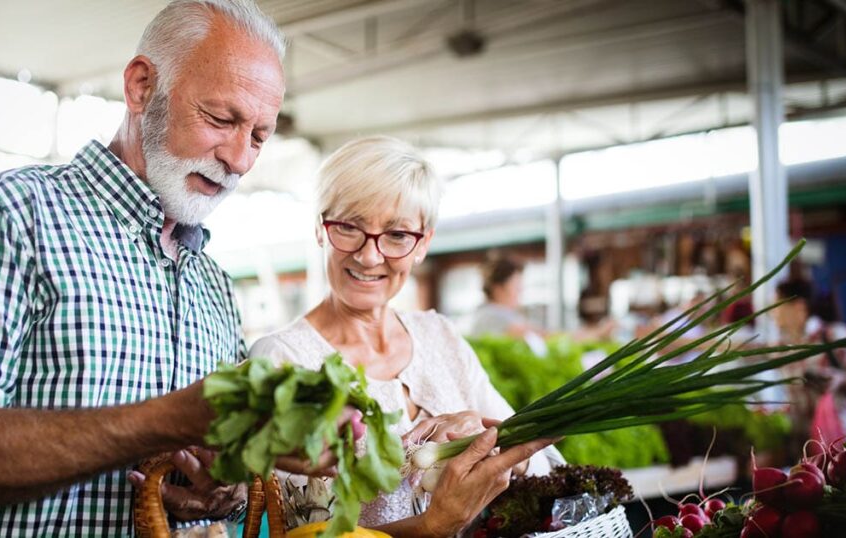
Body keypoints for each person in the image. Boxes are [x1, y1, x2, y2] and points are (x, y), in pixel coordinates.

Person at [0, 1, 288, 535]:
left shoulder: (211, 281)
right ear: (142, 86)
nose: (240, 159)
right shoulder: (8, 214)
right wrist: (164, 421)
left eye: (259, 136)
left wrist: (223, 490)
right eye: (221, 118)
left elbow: (222, 470)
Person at [248, 137, 562, 537]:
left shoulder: (440, 337)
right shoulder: (282, 360)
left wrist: (491, 443)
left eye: (396, 235)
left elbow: (546, 465)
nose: (369, 256)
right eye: (349, 227)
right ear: (319, 229)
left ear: (423, 244)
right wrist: (433, 526)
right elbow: (304, 530)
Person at [773, 278, 846, 447]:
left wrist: (842, 379)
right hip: (806, 451)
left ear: (799, 306)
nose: (773, 313)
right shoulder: (784, 347)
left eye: (777, 306)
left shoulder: (834, 336)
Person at [470, 256, 613, 355]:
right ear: (498, 289)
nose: (521, 292)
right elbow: (544, 337)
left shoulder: (506, 314)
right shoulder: (489, 316)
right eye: (516, 287)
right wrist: (596, 333)